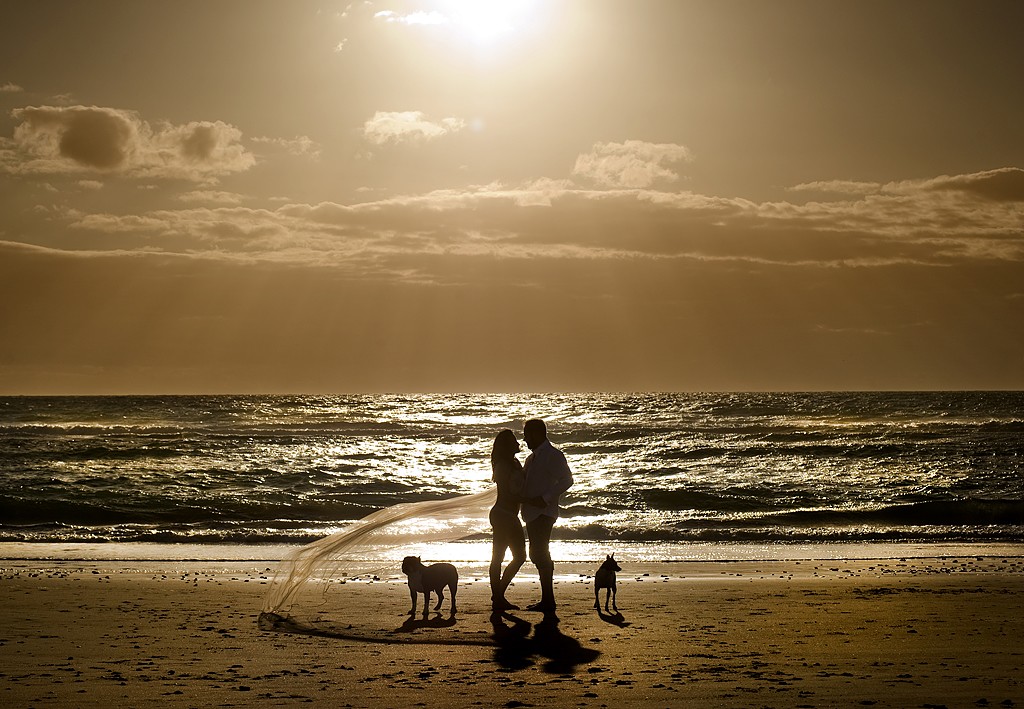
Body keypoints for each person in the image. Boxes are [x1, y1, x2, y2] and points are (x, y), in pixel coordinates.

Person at [520, 418, 573, 612]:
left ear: (537, 434)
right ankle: (547, 599)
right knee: (537, 552)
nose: (525, 440)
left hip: (544, 511)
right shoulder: (531, 458)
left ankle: (548, 600)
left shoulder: (553, 455)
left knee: (539, 552)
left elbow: (567, 480)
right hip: (532, 512)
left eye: (527, 435)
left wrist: (546, 497)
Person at [489, 429, 527, 612]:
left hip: (509, 515)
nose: (517, 442)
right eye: (513, 440)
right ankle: (498, 597)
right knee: (505, 557)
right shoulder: (503, 466)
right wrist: (530, 500)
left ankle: (498, 597)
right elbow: (508, 494)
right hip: (503, 514)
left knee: (516, 557)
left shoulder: (514, 463)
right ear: (506, 446)